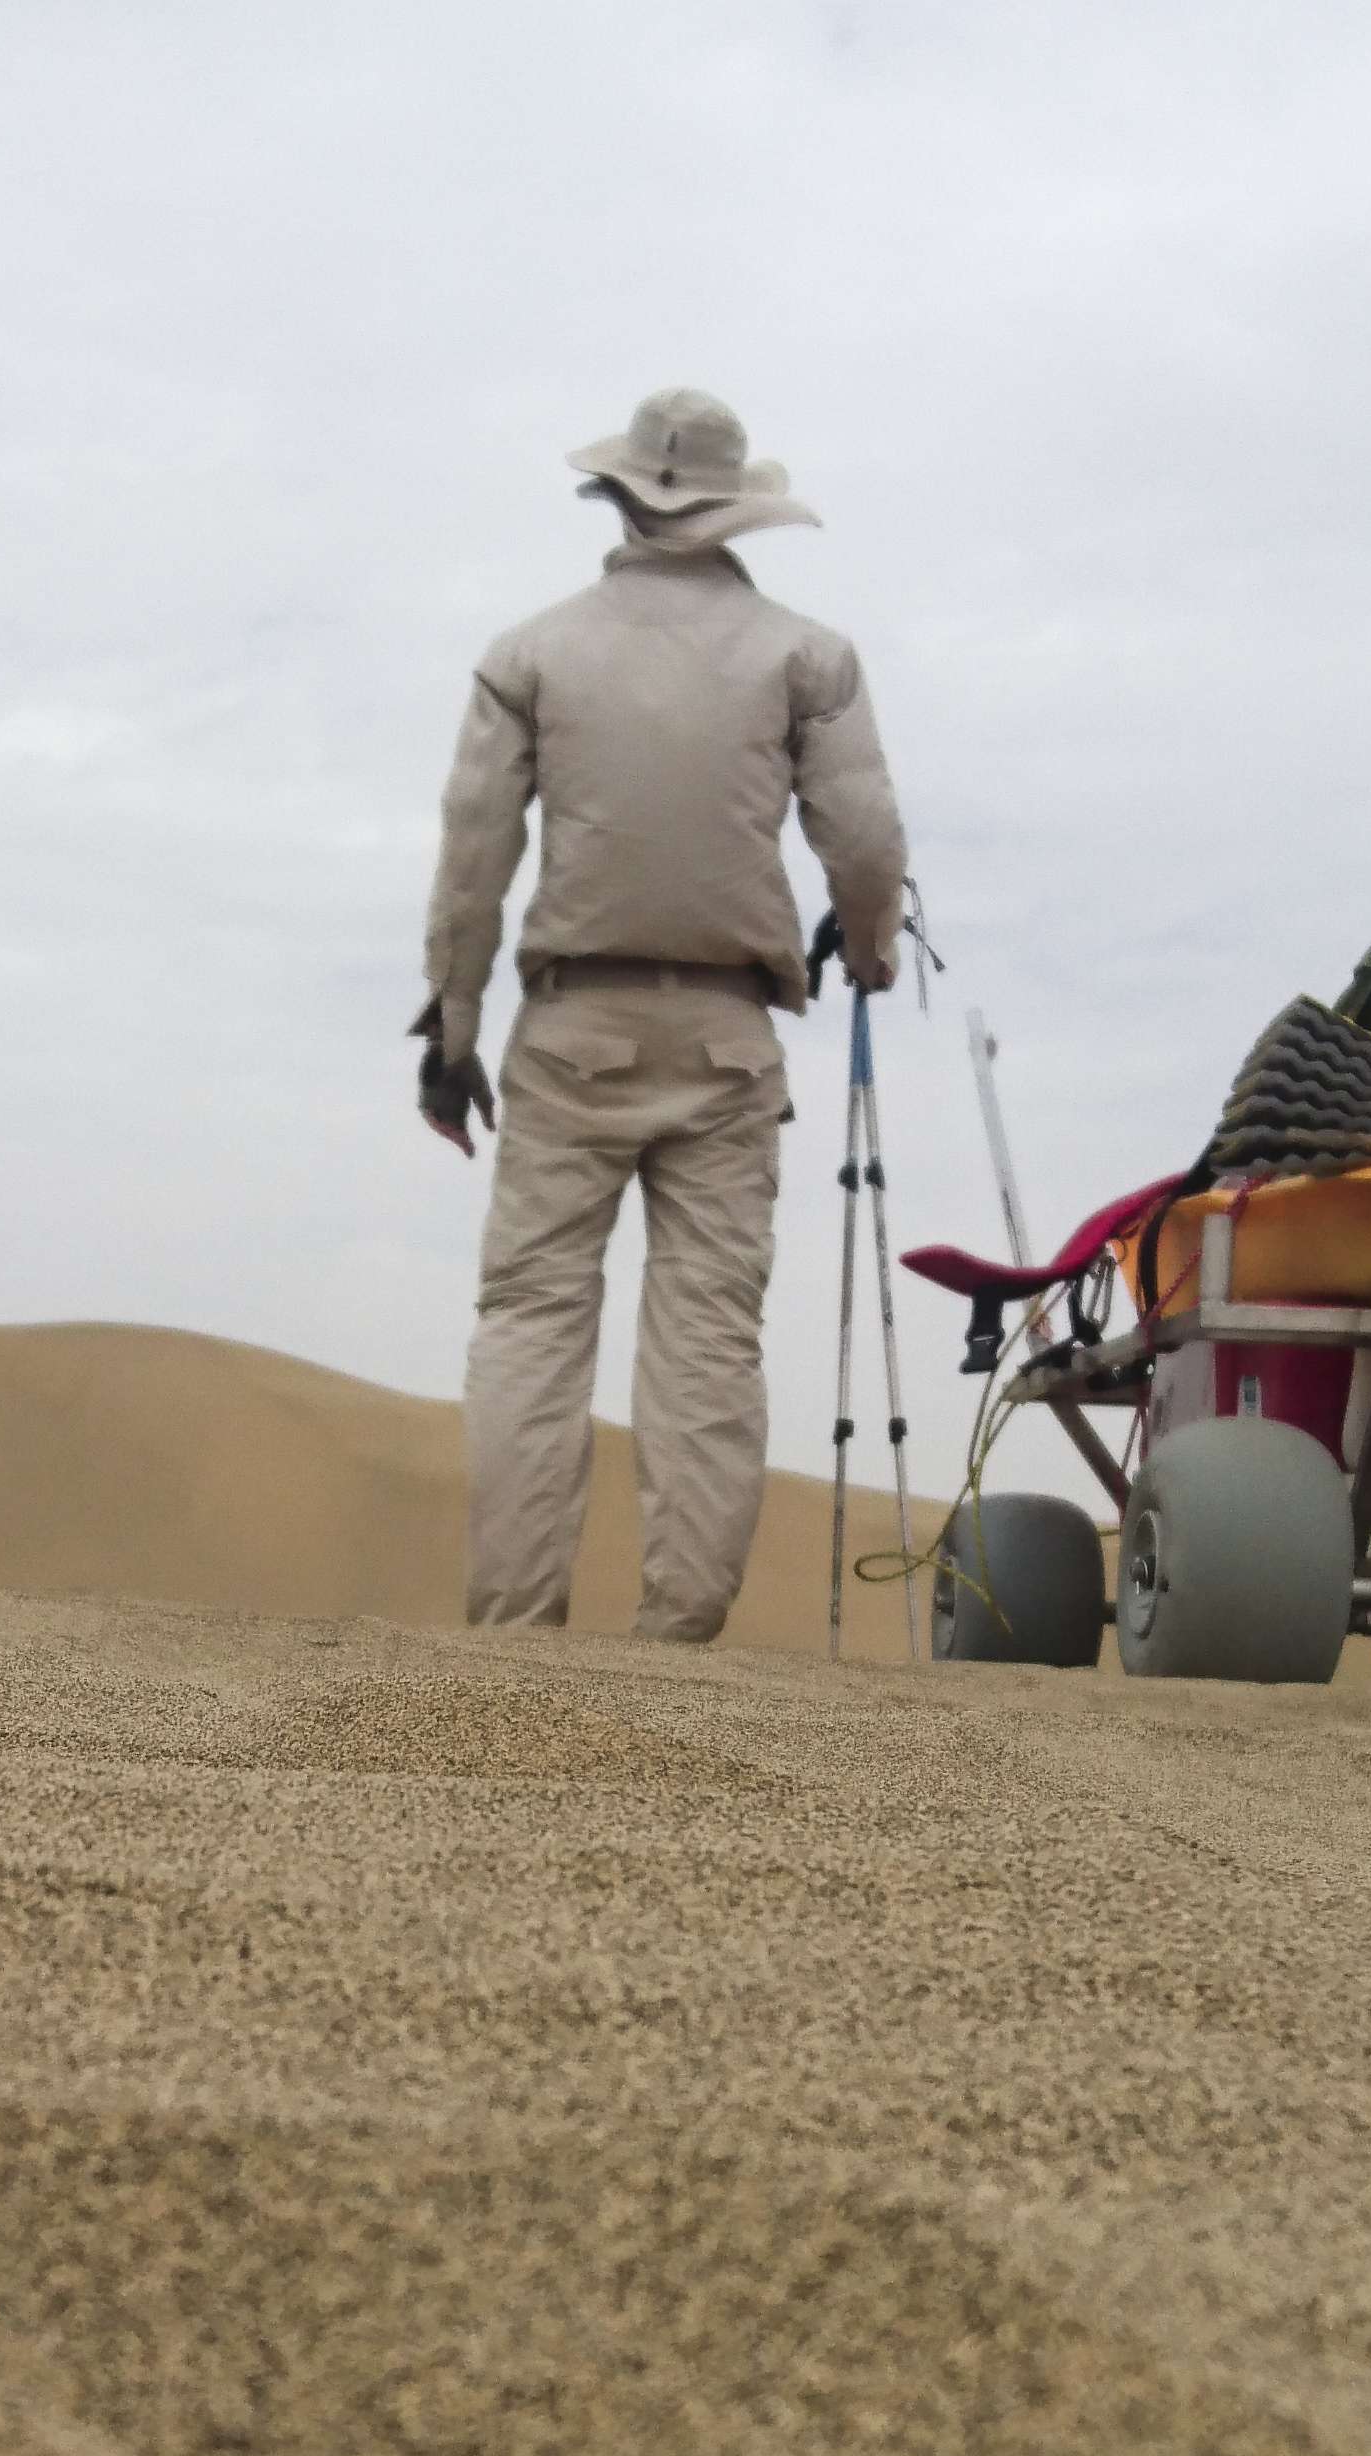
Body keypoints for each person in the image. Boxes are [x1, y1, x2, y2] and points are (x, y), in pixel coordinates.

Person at [413, 386, 908, 1641]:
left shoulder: (528, 654)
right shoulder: (809, 659)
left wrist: (453, 1027)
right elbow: (862, 836)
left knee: (530, 1319)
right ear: (736, 509)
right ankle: (676, 1642)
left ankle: (515, 1632)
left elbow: (474, 850)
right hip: (730, 1039)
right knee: (704, 1341)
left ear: (621, 494)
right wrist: (870, 950)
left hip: (570, 1030)